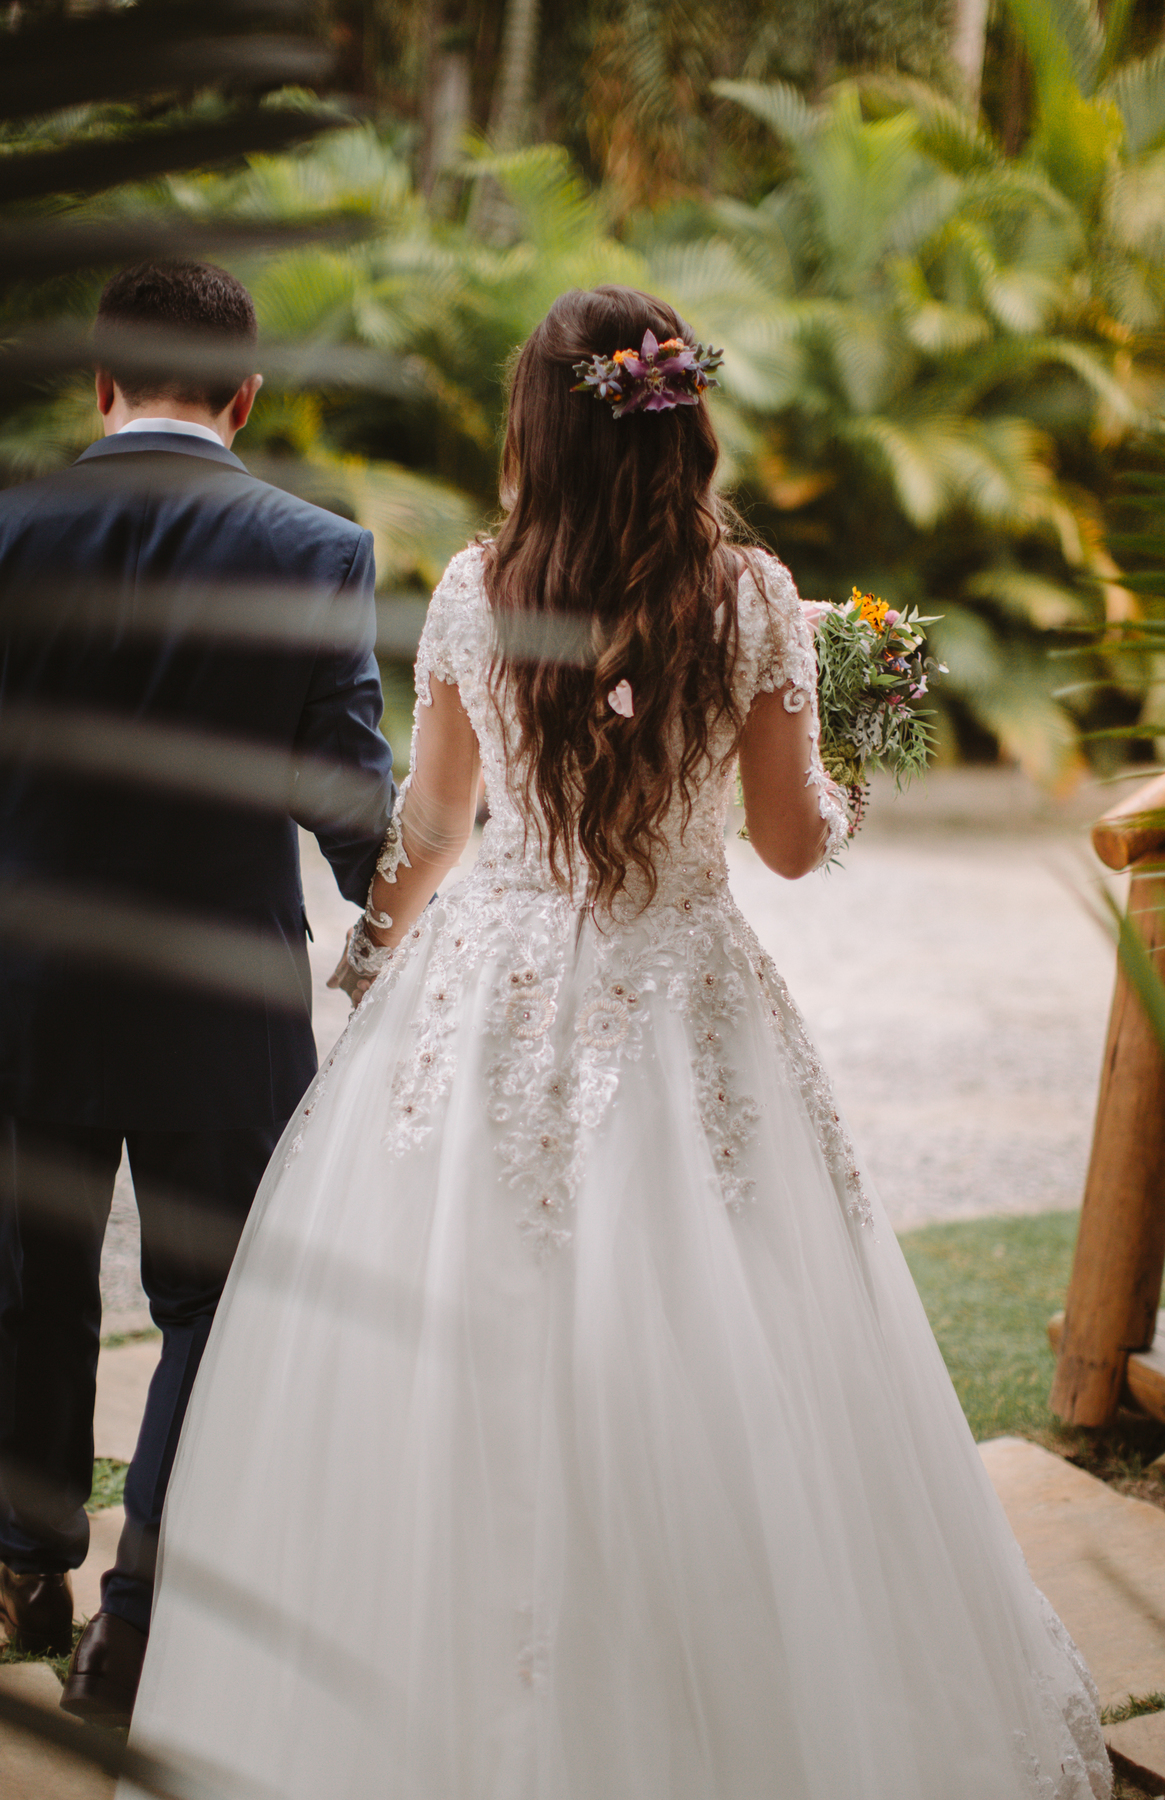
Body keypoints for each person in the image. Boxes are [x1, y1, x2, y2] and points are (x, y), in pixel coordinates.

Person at [123, 286, 1110, 1799]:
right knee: (725, 1337)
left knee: (448, 1342)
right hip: (685, 993)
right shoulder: (754, 600)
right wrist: (858, 764)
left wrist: (379, 952)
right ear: (682, 417)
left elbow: (437, 823)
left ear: (535, 425)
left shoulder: (475, 585)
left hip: (485, 999)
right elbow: (787, 847)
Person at [0, 262, 395, 1724]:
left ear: (100, 387)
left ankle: (23, 1567)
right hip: (219, 1003)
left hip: (21, 990)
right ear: (246, 398)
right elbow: (350, 798)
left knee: (27, 1292)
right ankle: (139, 1620)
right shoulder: (315, 548)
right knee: (210, 1307)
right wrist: (414, 932)